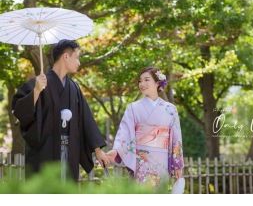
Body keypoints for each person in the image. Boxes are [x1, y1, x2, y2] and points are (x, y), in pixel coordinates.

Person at [12, 39, 110, 181]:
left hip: (69, 152)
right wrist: (36, 91)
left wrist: (98, 150)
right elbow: (19, 111)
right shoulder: (38, 83)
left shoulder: (74, 88)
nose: (79, 62)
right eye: (76, 57)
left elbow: (86, 119)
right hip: (45, 152)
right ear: (66, 56)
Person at [106, 66, 184, 187]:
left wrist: (177, 165)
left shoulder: (171, 109)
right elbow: (124, 132)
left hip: (161, 160)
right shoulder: (132, 108)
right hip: (140, 161)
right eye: (140, 81)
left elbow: (176, 139)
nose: (142, 84)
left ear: (157, 82)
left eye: (146, 80)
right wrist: (116, 151)